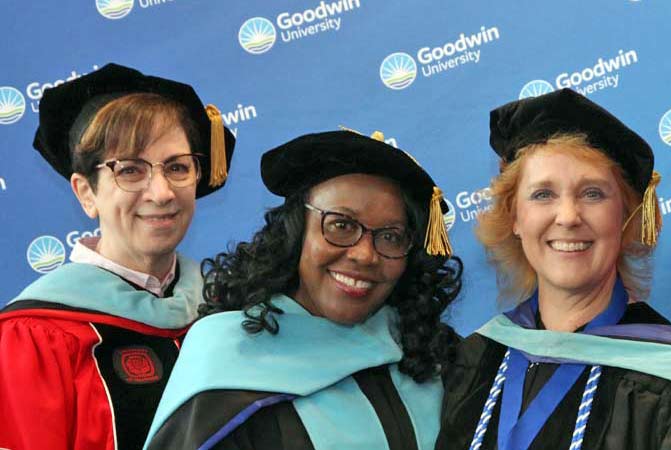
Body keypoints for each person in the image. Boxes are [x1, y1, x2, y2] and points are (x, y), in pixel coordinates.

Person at [436, 88, 671, 450]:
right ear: (515, 217)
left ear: (625, 217)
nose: (568, 217)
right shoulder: (475, 363)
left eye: (593, 193)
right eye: (542, 194)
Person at [144, 129, 463, 449]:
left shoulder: (427, 352)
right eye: (341, 225)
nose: (365, 254)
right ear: (296, 231)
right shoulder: (224, 365)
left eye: (391, 236)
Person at [0, 63, 236, 450]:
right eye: (129, 170)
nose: (160, 192)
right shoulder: (36, 337)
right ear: (86, 193)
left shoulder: (225, 307)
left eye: (177, 167)